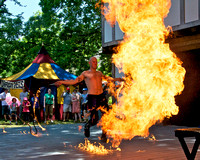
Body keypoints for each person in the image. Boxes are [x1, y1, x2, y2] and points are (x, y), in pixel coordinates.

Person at [55, 56, 123, 140]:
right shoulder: (85, 73)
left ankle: (104, 134)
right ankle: (87, 125)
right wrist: (61, 82)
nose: (95, 63)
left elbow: (109, 79)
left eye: (96, 62)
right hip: (92, 97)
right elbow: (74, 81)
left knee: (106, 115)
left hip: (101, 96)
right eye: (93, 61)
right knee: (95, 119)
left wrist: (119, 79)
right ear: (89, 63)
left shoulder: (99, 73)